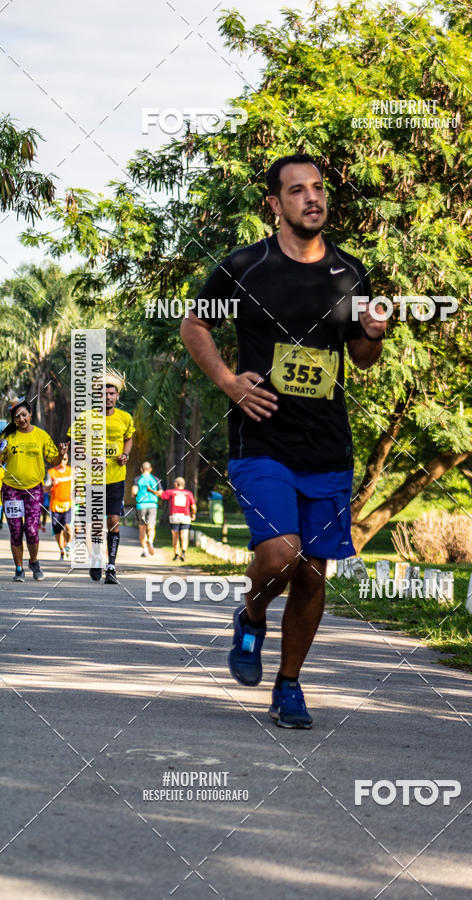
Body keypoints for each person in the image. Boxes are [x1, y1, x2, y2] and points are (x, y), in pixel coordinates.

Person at [181, 154, 386, 728]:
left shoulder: (349, 274)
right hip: (262, 440)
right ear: (274, 204)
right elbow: (194, 324)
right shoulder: (246, 268)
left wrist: (372, 336)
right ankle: (251, 616)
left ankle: (289, 684)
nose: (312, 198)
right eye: (297, 191)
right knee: (281, 555)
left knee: (313, 573)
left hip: (326, 447)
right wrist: (227, 382)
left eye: (318, 188)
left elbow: (362, 360)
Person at [68, 368, 134, 584]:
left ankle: (111, 566)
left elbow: (128, 439)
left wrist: (125, 454)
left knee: (114, 520)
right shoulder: (86, 418)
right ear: (98, 396)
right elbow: (75, 446)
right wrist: (91, 459)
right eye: (104, 394)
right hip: (92, 479)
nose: (108, 397)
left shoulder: (125, 418)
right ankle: (96, 559)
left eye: (112, 393)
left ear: (117, 396)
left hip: (116, 477)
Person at [0, 398, 68, 581]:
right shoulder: (8, 437)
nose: (21, 419)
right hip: (11, 490)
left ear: (30, 414)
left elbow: (53, 461)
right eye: (17, 417)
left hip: (33, 490)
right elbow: (1, 461)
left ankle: (34, 561)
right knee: (15, 530)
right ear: (13, 420)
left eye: (24, 415)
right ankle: (19, 569)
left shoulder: (41, 435)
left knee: (31, 529)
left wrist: (61, 455)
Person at [150, 477, 196, 561]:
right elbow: (193, 506)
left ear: (176, 484)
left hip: (175, 516)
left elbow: (160, 494)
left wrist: (150, 490)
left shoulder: (171, 492)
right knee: (184, 535)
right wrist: (193, 514)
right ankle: (183, 553)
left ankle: (176, 554)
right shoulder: (188, 493)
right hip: (186, 516)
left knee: (175, 536)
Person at [45, 452, 72, 560]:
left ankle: (68, 545)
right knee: (57, 530)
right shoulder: (51, 472)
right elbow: (45, 489)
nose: (62, 461)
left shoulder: (71, 471)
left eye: (65, 459)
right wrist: (52, 484)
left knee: (68, 526)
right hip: (55, 505)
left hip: (68, 504)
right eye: (61, 459)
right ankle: (61, 549)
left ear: (67, 459)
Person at [132, 462, 162, 557]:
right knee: (151, 525)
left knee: (142, 527)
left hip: (141, 505)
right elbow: (160, 493)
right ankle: (150, 540)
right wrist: (153, 491)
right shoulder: (155, 479)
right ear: (151, 469)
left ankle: (145, 550)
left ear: (141, 469)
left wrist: (134, 494)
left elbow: (134, 492)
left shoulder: (137, 479)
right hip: (152, 504)